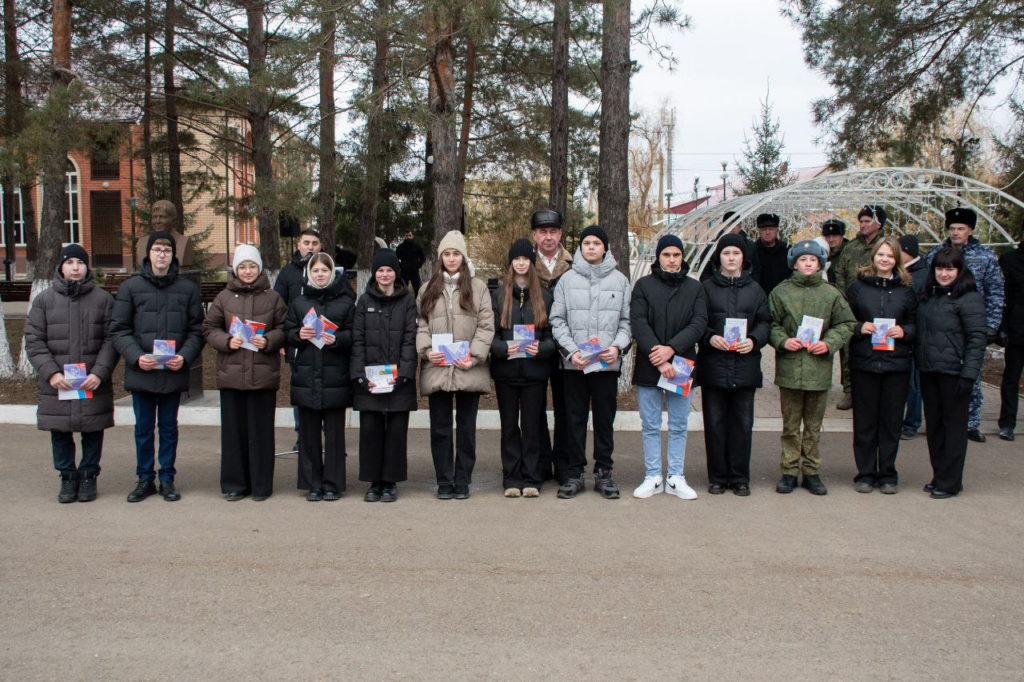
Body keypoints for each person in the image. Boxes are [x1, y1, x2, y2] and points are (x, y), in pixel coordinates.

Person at [110, 231, 204, 503]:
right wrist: (136, 356)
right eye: (157, 249)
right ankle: (144, 479)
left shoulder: (187, 289)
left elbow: (196, 330)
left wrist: (185, 357)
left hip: (173, 371)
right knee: (142, 428)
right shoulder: (131, 287)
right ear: (148, 254)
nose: (161, 254)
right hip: (142, 370)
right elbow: (119, 329)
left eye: (166, 249)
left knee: (168, 428)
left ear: (173, 254)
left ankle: (167, 479)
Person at [24, 245, 119, 503]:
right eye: (70, 262)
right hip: (59, 382)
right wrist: (51, 373)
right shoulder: (44, 300)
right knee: (60, 430)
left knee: (92, 428)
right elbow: (33, 340)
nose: (75, 267)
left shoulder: (103, 300)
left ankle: (88, 474)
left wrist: (99, 372)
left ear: (87, 267)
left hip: (91, 380)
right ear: (61, 267)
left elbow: (112, 339)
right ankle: (67, 475)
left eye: (80, 262)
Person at [550, 224, 632, 499]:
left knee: (604, 419)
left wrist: (617, 348)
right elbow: (557, 320)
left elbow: (626, 321)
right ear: (580, 248)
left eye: (597, 243)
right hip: (576, 365)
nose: (592, 247)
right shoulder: (567, 280)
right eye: (587, 244)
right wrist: (572, 352)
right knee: (574, 419)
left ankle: (604, 473)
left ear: (605, 247)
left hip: (606, 364)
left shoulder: (620, 281)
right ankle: (574, 474)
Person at [769, 239, 855, 496]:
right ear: (794, 263)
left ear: (820, 263)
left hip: (818, 369)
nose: (807, 264)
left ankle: (812, 471)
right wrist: (784, 341)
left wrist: (828, 343)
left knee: (814, 426)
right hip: (790, 369)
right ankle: (789, 470)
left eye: (813, 260)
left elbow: (846, 324)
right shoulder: (781, 292)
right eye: (802, 260)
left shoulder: (831, 294)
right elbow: (770, 323)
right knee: (790, 425)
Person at [202, 244, 288, 502]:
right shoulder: (223, 298)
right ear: (235, 270)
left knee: (261, 434)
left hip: (263, 376)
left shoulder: (273, 298)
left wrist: (270, 340)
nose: (248, 271)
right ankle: (234, 484)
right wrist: (227, 340)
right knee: (233, 433)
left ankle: (261, 486)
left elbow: (286, 327)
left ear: (259, 268)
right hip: (232, 375)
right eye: (243, 266)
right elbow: (208, 328)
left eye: (252, 266)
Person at [416, 230, 495, 500]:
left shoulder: (479, 287)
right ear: (441, 258)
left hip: (467, 368)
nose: (451, 258)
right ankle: (444, 481)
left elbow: (486, 326)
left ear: (464, 256)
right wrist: (427, 351)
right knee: (439, 429)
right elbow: (421, 324)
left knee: (466, 428)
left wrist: (473, 356)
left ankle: (462, 480)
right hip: (437, 368)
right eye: (447, 254)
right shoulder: (428, 288)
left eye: (456, 253)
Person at [630, 234, 707, 499]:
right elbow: (638, 322)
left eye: (676, 255)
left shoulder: (694, 288)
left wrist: (671, 350)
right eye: (666, 255)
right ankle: (653, 475)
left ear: (682, 257)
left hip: (682, 363)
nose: (672, 260)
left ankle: (676, 476)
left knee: (678, 424)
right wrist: (659, 357)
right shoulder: (643, 286)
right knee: (650, 424)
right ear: (658, 257)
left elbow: (698, 323)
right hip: (650, 364)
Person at [697, 233, 771, 496]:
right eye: (726, 253)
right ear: (719, 256)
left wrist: (754, 340)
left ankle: (740, 477)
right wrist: (709, 337)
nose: (731, 258)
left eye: (736, 253)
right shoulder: (705, 288)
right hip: (714, 365)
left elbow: (765, 322)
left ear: (743, 257)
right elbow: (698, 322)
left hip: (745, 365)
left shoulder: (755, 289)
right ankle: (717, 476)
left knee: (742, 424)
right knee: (715, 423)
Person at [925, 207, 1004, 443]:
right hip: (942, 326)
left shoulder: (985, 256)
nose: (956, 232)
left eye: (961, 228)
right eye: (952, 228)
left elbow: (995, 293)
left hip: (972, 325)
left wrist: (990, 326)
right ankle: (941, 422)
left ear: (970, 230)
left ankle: (970, 423)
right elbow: (926, 288)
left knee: (973, 376)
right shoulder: (935, 255)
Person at [845, 237, 917, 494]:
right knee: (865, 420)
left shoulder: (906, 290)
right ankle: (865, 472)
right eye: (880, 254)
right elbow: (843, 320)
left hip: (896, 365)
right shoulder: (857, 288)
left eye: (890, 255)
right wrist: (858, 327)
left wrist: (904, 331)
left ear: (896, 259)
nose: (884, 259)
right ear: (873, 256)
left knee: (891, 421)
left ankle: (887, 472)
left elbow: (916, 324)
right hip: (864, 361)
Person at [916, 247, 988, 498]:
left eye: (949, 269)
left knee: (954, 428)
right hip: (929, 370)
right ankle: (939, 475)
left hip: (955, 373)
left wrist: (968, 374)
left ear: (959, 271)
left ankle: (951, 481)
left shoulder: (969, 299)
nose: (944, 274)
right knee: (934, 426)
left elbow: (977, 339)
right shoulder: (929, 296)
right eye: (939, 268)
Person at [285, 252, 356, 501]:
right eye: (315, 271)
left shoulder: (346, 302)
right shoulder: (299, 302)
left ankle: (332, 484)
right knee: (309, 434)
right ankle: (312, 483)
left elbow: (354, 336)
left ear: (332, 273)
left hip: (335, 376)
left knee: (334, 436)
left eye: (324, 271)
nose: (320, 274)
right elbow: (288, 331)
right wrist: (298, 335)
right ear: (309, 274)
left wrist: (337, 339)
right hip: (306, 375)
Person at [489, 239, 557, 497]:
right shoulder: (498, 295)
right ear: (510, 263)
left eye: (525, 259)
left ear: (531, 262)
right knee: (509, 427)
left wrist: (540, 349)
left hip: (534, 374)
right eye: (516, 259)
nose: (520, 263)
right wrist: (501, 348)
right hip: (505, 373)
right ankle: (511, 479)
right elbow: (491, 335)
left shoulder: (545, 296)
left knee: (531, 427)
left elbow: (552, 338)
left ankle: (531, 478)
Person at [350, 249, 419, 503]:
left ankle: (390, 481)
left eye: (389, 270)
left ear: (396, 273)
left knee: (396, 433)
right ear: (374, 273)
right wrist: (359, 376)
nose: (385, 274)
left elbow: (410, 340)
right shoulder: (364, 301)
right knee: (371, 431)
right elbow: (357, 340)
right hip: (369, 382)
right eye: (380, 270)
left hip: (398, 382)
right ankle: (374, 481)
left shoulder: (407, 301)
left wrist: (403, 374)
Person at [531, 208, 573, 482]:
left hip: (566, 345)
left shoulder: (574, 263)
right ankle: (540, 463)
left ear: (560, 234)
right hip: (533, 344)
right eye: (542, 232)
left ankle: (565, 464)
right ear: (534, 235)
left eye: (553, 231)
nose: (548, 237)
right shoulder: (522, 262)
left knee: (565, 406)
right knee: (534, 408)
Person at [833, 205, 887, 410]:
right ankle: (849, 391)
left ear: (878, 224)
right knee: (848, 349)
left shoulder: (885, 246)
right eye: (861, 221)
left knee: (876, 348)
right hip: (851, 307)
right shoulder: (852, 247)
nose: (862, 224)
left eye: (867, 221)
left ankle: (873, 393)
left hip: (878, 307)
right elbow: (840, 272)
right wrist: (842, 299)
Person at [274, 228, 323, 451]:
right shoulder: (287, 274)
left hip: (324, 342)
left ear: (320, 246)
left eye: (314, 243)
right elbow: (278, 308)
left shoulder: (328, 270)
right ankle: (302, 434)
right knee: (301, 387)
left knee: (324, 386)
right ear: (298, 246)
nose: (310, 247)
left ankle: (322, 431)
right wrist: (285, 339)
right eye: (306, 242)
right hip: (297, 342)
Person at [899, 234, 928, 440]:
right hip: (901, 334)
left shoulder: (922, 275)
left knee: (913, 382)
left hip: (915, 336)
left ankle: (912, 422)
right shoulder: (905, 272)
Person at [998, 237, 1024, 442]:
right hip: (1017, 329)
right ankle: (1007, 423)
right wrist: (1003, 327)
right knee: (1011, 378)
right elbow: (1003, 297)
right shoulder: (1010, 260)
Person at [698, 211, 762, 283]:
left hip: (744, 288)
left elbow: (756, 269)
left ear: (740, 226)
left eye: (736, 224)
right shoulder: (712, 247)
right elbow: (704, 272)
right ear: (723, 226)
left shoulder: (750, 246)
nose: (732, 227)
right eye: (729, 225)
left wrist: (750, 287)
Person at [134, 200, 195, 270]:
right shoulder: (143, 242)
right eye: (154, 217)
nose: (157, 221)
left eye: (162, 217)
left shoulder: (184, 242)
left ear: (174, 220)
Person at [753, 213, 790, 297]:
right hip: (760, 297)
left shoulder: (787, 250)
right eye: (764, 229)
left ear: (777, 230)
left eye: (771, 229)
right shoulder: (753, 250)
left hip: (783, 296)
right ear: (759, 231)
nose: (767, 232)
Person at [395, 230, 427, 295]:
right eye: (406, 236)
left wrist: (417, 266)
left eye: (409, 235)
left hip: (414, 272)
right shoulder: (400, 247)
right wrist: (400, 266)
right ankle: (403, 303)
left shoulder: (417, 246)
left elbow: (423, 258)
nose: (408, 237)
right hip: (404, 272)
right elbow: (395, 258)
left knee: (417, 290)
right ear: (404, 236)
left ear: (412, 236)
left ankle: (417, 304)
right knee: (402, 290)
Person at [821, 219, 848, 285]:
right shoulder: (822, 252)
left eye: (834, 236)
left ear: (842, 236)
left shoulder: (850, 251)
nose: (831, 239)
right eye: (828, 236)